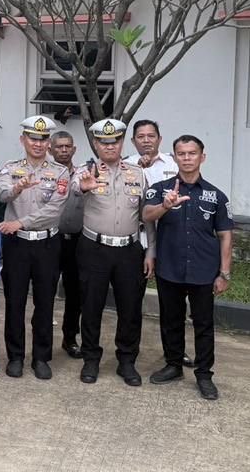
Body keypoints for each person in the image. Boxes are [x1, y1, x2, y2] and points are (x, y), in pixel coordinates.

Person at [143, 135, 234, 401]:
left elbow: (226, 235)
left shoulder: (216, 195)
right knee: (170, 321)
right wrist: (165, 205)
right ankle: (173, 365)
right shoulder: (161, 189)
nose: (186, 158)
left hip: (204, 270)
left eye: (192, 153)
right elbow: (146, 215)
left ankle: (204, 374)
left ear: (202, 157)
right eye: (181, 154)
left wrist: (224, 272)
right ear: (174, 157)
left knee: (203, 324)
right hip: (169, 267)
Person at [0, 115, 71, 380]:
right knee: (14, 302)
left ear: (48, 142)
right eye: (32, 138)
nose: (37, 143)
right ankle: (16, 356)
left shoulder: (60, 172)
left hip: (47, 244)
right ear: (23, 140)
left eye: (42, 139)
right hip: (17, 247)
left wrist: (19, 222)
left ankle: (41, 357)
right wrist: (18, 187)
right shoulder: (10, 167)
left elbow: (54, 211)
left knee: (45, 303)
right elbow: (2, 195)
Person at [75, 118, 149, 387]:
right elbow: (75, 189)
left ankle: (127, 361)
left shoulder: (138, 173)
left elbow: (147, 216)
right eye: (104, 142)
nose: (109, 146)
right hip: (94, 248)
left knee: (130, 308)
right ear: (96, 143)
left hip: (129, 250)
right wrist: (84, 185)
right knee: (91, 305)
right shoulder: (86, 170)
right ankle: (91, 359)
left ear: (122, 142)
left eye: (114, 141)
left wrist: (150, 252)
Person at [124, 119, 192, 367]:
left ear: (160, 139)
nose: (146, 140)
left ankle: (175, 352)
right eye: (140, 136)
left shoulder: (175, 165)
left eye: (151, 136)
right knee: (132, 301)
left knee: (172, 303)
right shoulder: (125, 165)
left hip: (168, 242)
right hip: (136, 241)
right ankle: (129, 355)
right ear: (133, 141)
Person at [50, 131, 86, 359]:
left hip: (78, 241)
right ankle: (43, 340)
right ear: (51, 149)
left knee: (76, 293)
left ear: (73, 149)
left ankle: (70, 338)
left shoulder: (85, 174)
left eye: (67, 146)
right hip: (51, 240)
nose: (63, 150)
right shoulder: (45, 174)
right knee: (46, 291)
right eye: (59, 147)